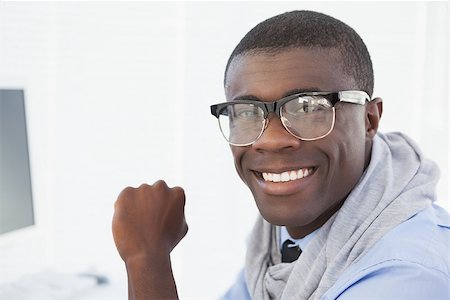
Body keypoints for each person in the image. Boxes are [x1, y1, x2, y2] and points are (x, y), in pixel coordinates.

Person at [112, 10, 449, 299]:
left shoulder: (406, 278)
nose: (271, 140)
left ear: (369, 119)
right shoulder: (278, 241)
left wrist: (147, 259)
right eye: (246, 111)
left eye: (307, 106)